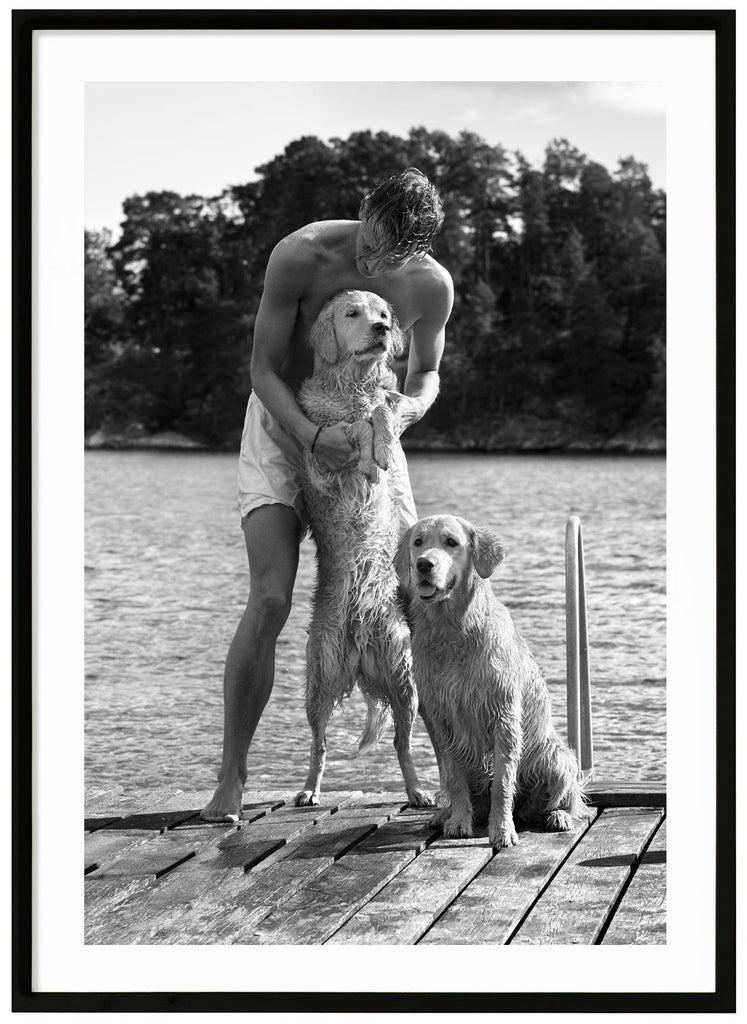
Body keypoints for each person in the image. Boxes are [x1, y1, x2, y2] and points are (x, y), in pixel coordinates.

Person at [201, 167, 454, 821]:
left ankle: (446, 773)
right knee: (271, 597)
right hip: (283, 424)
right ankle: (231, 776)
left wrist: (403, 416)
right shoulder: (301, 252)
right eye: (371, 239)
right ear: (364, 205)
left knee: (415, 596)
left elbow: (424, 371)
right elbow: (261, 368)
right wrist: (312, 436)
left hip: (372, 429)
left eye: (392, 254)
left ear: (416, 249)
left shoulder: (430, 285)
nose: (373, 260)